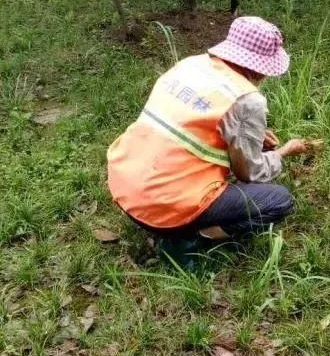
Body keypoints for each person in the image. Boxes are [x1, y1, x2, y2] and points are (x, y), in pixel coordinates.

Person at [107, 16, 313, 254]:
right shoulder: (247, 100)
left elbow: (190, 123)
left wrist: (249, 136)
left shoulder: (190, 65)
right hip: (165, 208)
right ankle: (190, 238)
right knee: (279, 200)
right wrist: (283, 152)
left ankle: (173, 226)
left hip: (125, 186)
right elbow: (250, 173)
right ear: (261, 69)